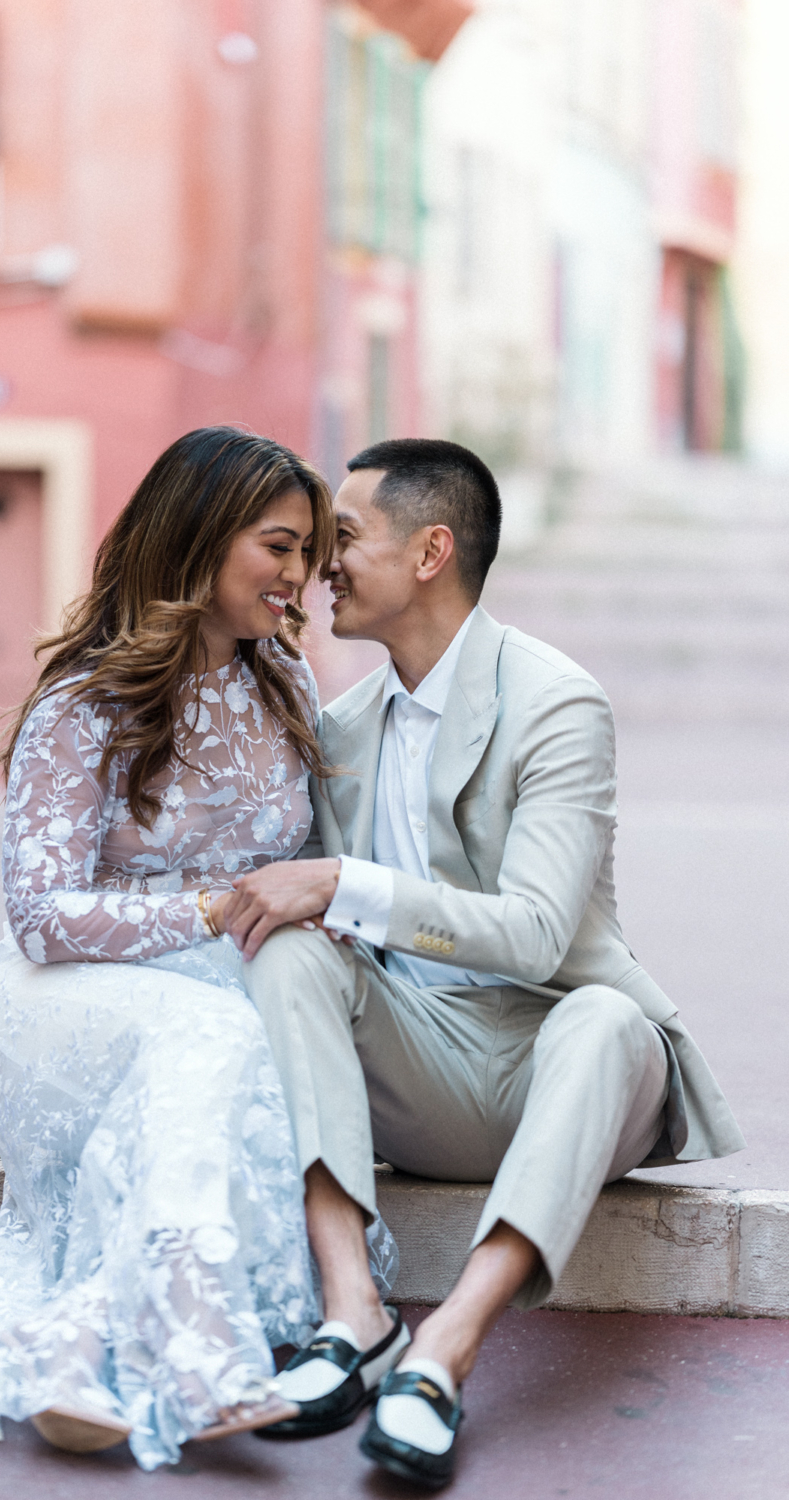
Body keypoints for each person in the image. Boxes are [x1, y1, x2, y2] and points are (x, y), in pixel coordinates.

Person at [222, 438, 744, 1490]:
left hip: (565, 1060)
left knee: (603, 1019)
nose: (323, 562)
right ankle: (352, 1318)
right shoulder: (338, 729)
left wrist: (342, 884)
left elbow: (537, 933)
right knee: (285, 958)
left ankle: (441, 1355)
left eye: (346, 538)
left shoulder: (555, 701)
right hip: (424, 1068)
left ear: (429, 552)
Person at [0, 426, 396, 1472]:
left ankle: (78, 1339)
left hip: (226, 999)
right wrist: (215, 909)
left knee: (228, 1047)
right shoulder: (84, 702)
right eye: (277, 548)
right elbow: (41, 917)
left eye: (308, 555)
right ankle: (196, 1363)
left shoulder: (283, 685)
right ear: (197, 536)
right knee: (207, 1036)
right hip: (68, 994)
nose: (297, 579)